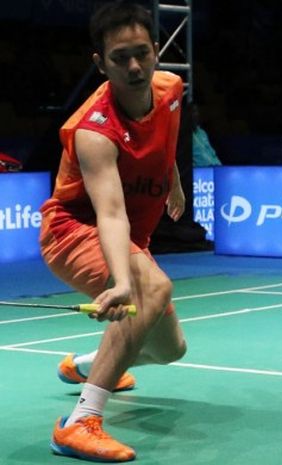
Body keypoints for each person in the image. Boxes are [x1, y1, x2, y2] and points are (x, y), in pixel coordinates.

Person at [40, 3, 187, 461]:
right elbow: (110, 212)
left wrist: (175, 183)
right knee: (150, 289)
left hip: (126, 236)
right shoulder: (93, 130)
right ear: (100, 63)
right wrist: (123, 282)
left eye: (142, 53)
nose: (135, 66)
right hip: (73, 230)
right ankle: (79, 422)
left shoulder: (171, 89)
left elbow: (166, 139)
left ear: (156, 51)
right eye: (120, 57)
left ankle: (84, 366)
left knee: (170, 349)